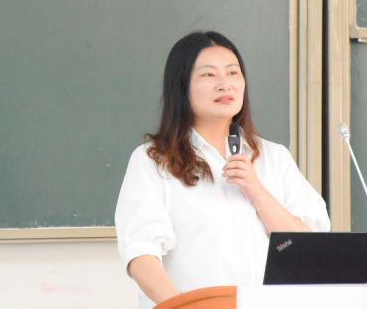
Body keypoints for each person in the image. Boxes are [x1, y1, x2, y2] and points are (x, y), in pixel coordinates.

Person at [115, 31, 330, 308]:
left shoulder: (273, 157)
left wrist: (256, 191)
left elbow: (309, 250)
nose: (224, 84)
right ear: (181, 86)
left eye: (232, 73)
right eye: (208, 75)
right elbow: (140, 254)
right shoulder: (153, 160)